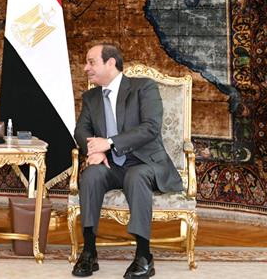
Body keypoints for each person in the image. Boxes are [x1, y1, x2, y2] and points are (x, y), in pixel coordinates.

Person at [71, 44, 183, 278]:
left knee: (136, 175)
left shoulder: (143, 88)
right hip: (112, 165)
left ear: (111, 63)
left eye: (91, 62)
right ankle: (89, 252)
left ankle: (144, 255)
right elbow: (81, 130)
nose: (86, 68)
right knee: (90, 175)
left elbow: (150, 128)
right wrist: (95, 149)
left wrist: (109, 143)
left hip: (146, 163)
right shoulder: (91, 97)